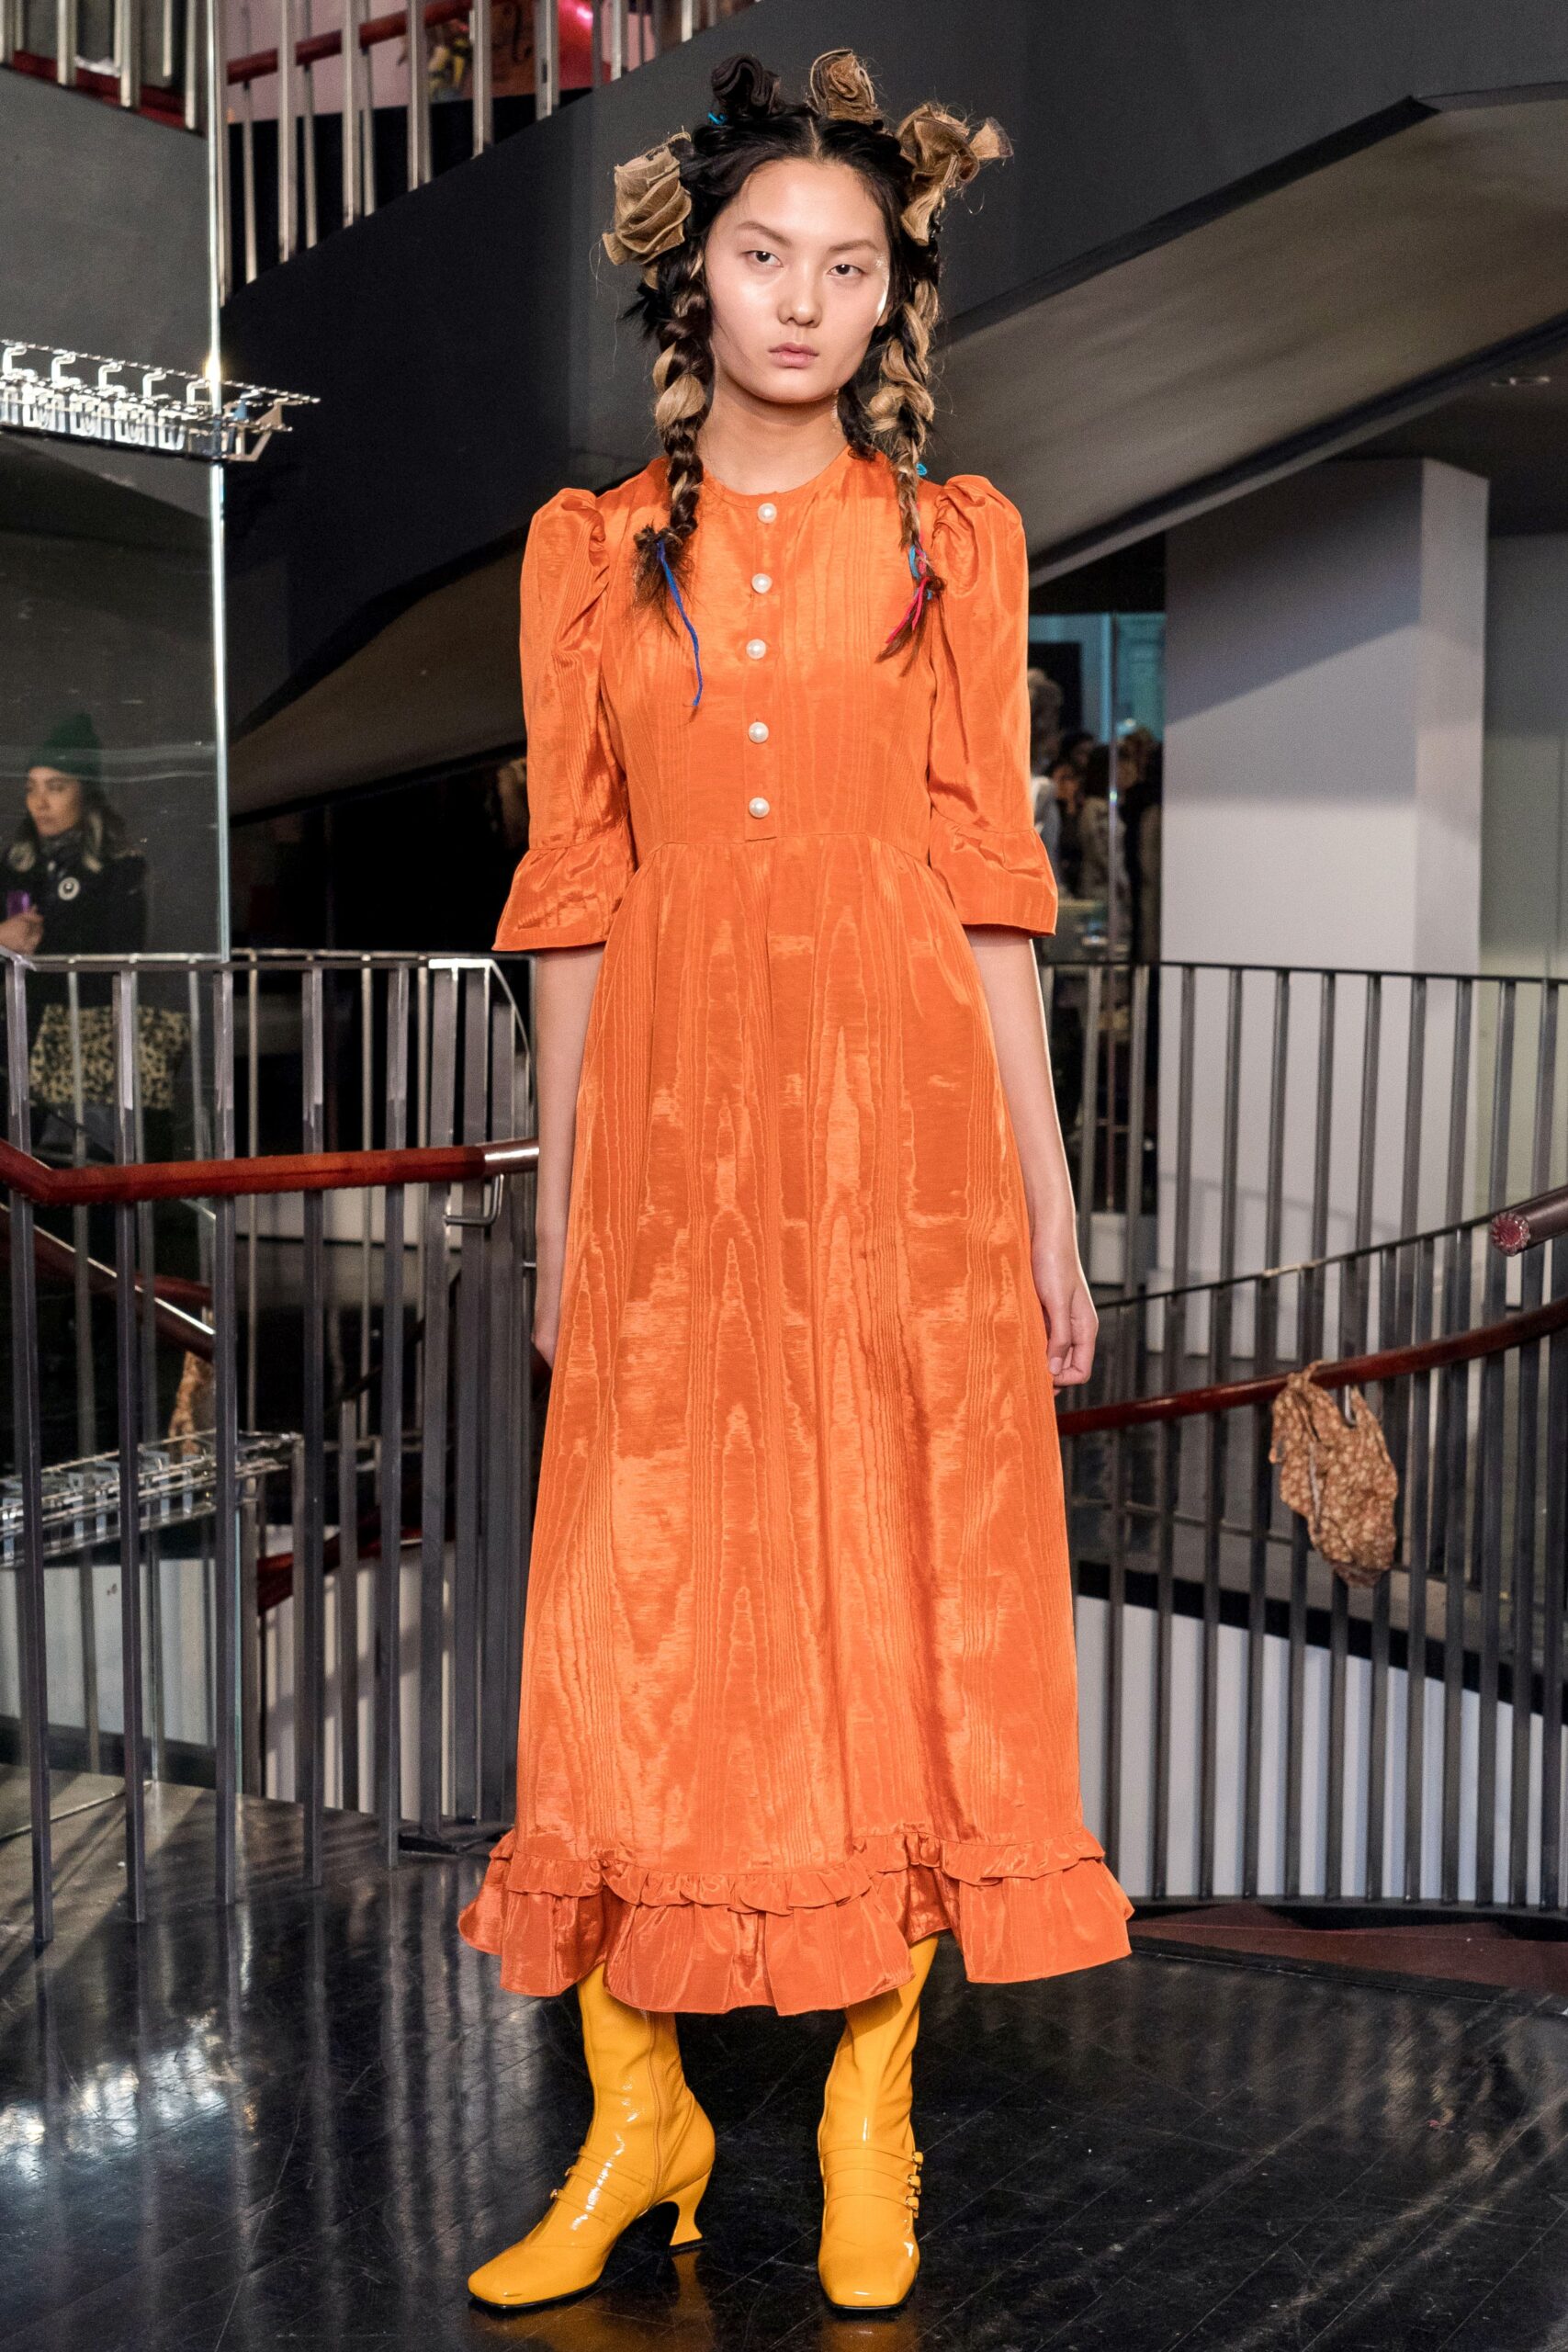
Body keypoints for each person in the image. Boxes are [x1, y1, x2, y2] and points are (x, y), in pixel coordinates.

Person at [457, 49, 1133, 2320]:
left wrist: (1043, 1198)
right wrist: (565, 1204)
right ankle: (635, 2107)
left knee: (883, 1614)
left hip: (896, 1148)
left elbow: (985, 890)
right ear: (694, 271)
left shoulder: (953, 544)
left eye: (849, 269)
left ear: (885, 306)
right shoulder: (582, 559)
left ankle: (866, 2104)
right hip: (662, 1147)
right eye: (767, 254)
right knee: (628, 1613)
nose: (802, 301)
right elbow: (570, 891)